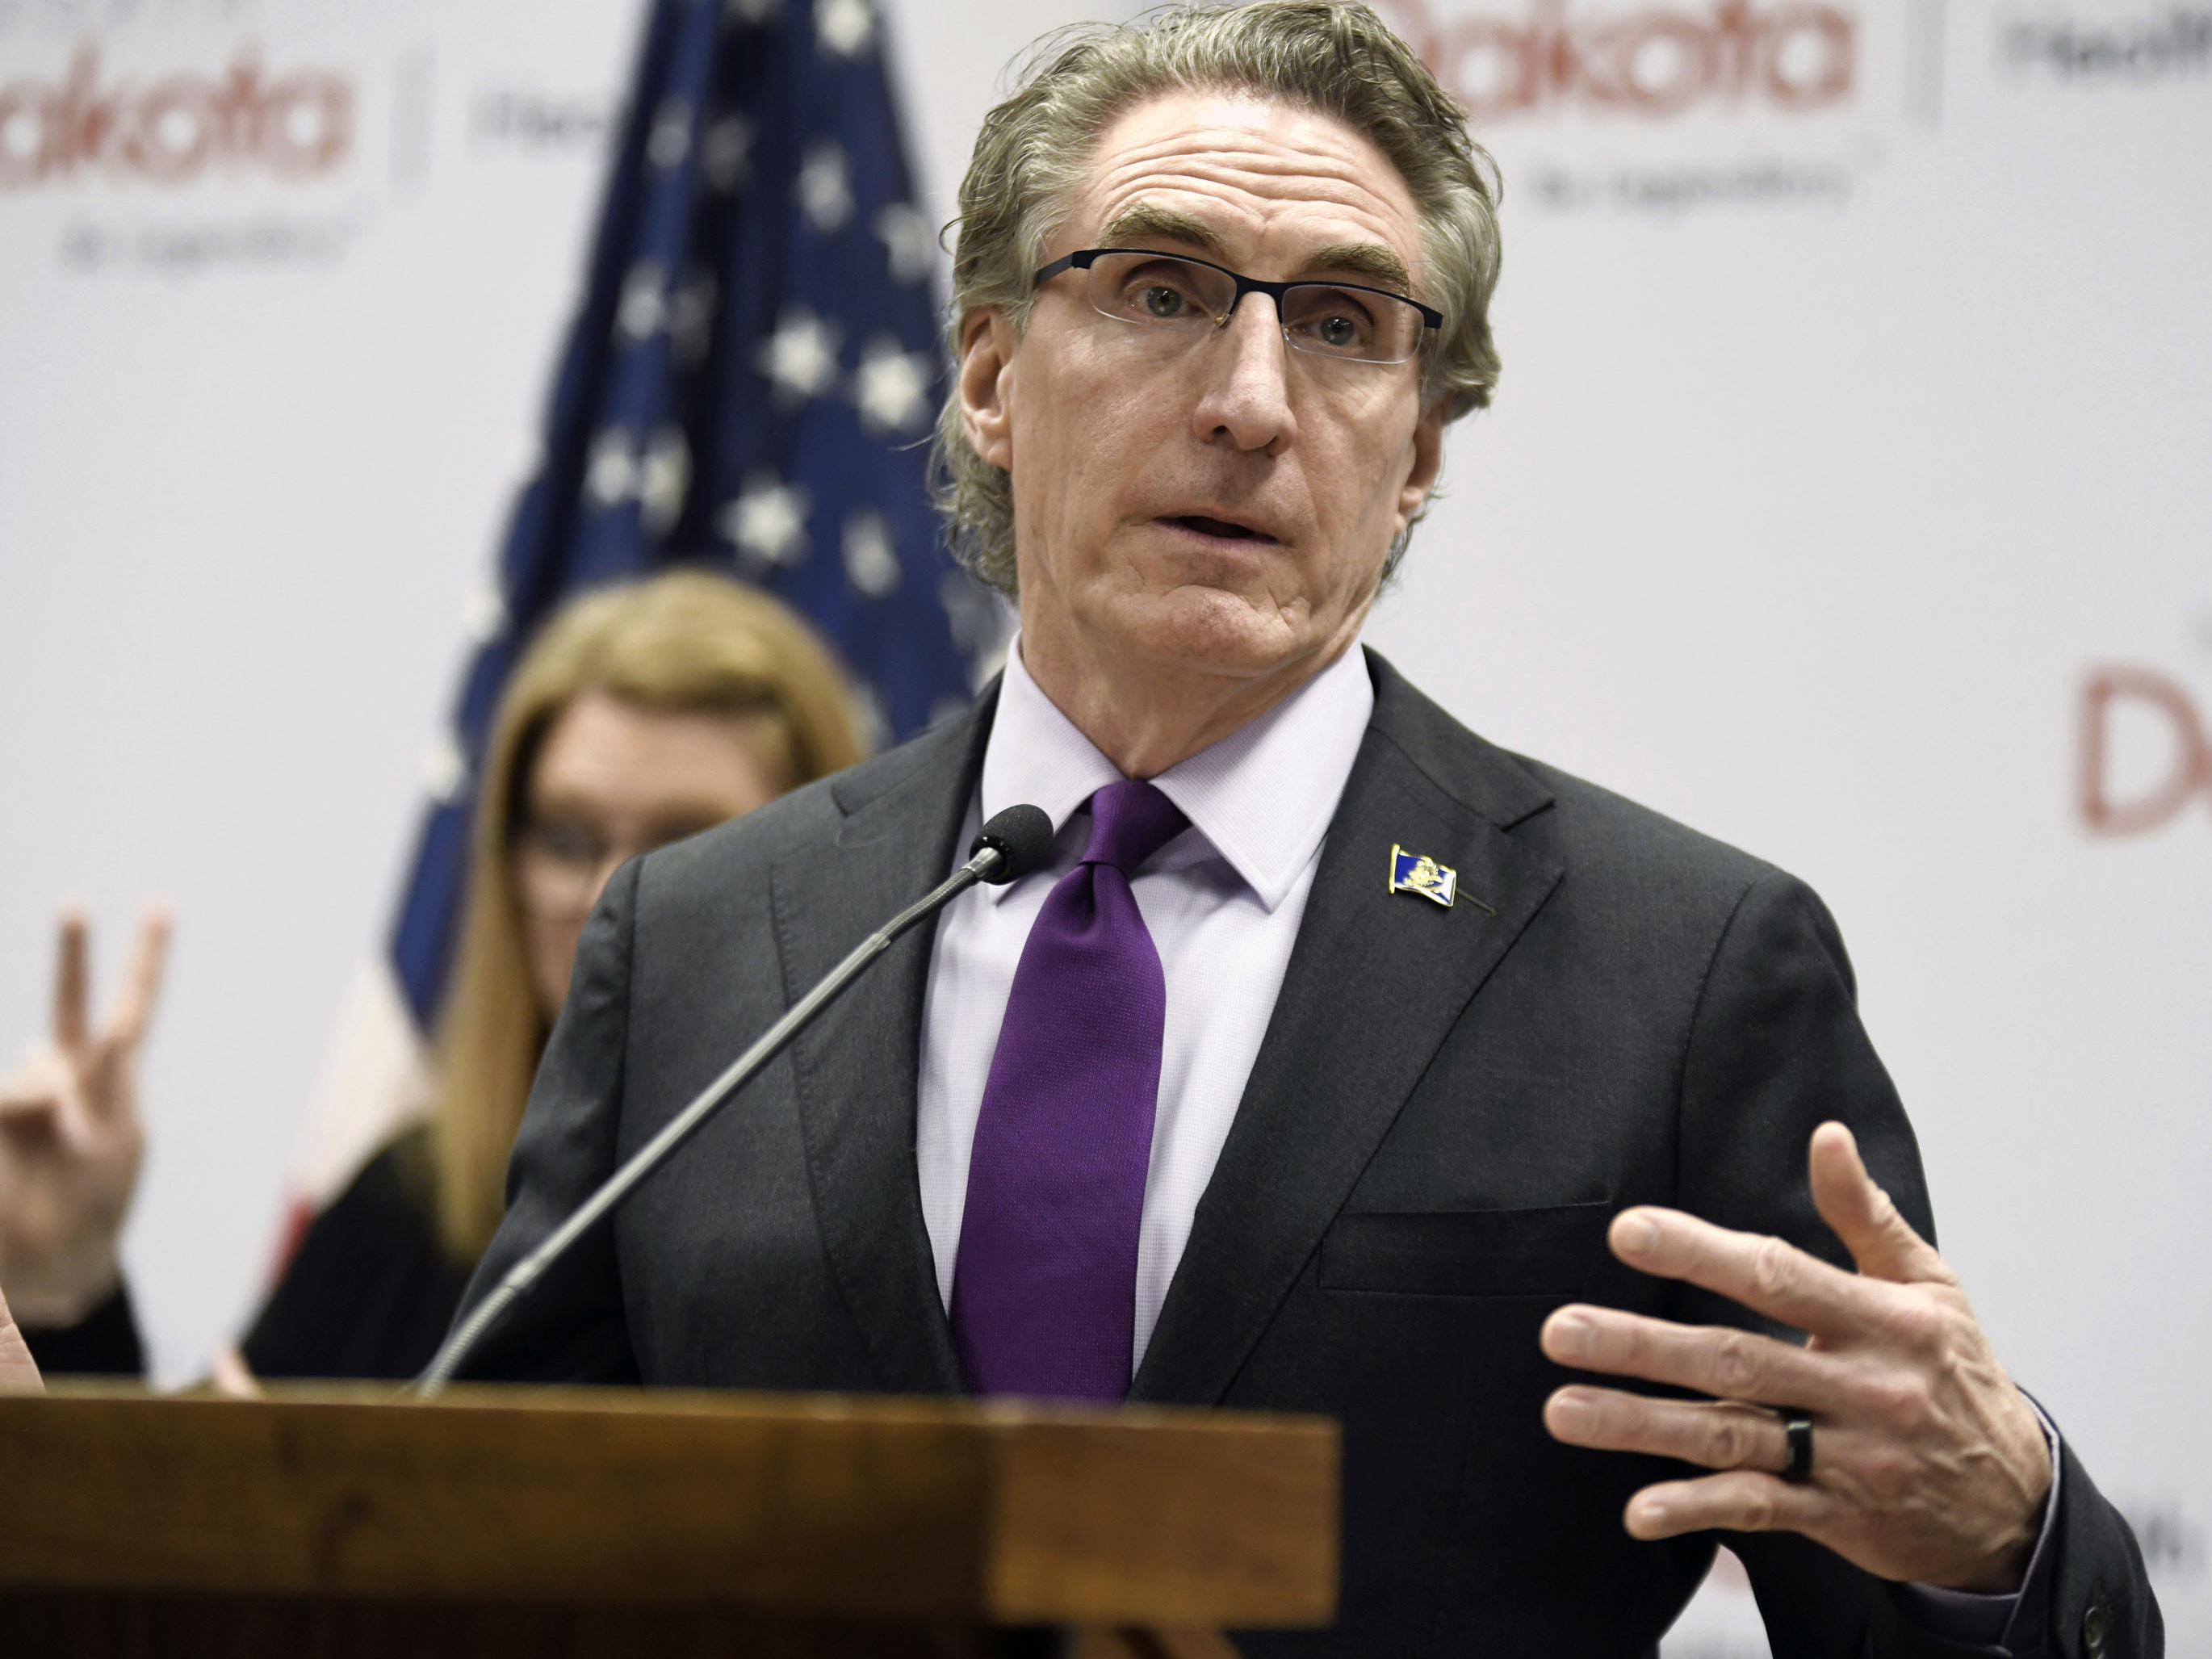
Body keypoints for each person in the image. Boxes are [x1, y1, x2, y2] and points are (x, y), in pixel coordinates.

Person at [436, 4, 2154, 1653]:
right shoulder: (706, 940)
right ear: (986, 370)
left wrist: (1996, 1533)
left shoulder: (1675, 978)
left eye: (1340, 324)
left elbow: (1896, 1591)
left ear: (1414, 449)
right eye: (1160, 290)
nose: (1250, 399)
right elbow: (478, 1549)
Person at [0, 569, 867, 1385]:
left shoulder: (906, 1222)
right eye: (566, 840)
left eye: (686, 843)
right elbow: (179, 1532)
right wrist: (63, 1286)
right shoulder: (405, 1205)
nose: (613, 900)